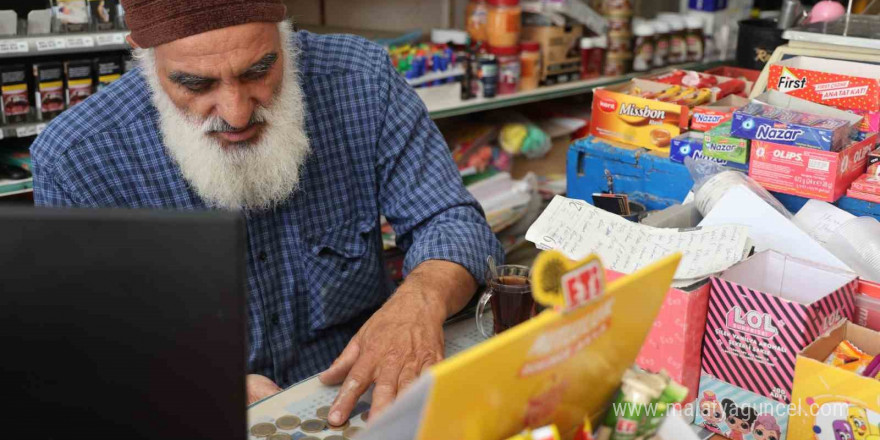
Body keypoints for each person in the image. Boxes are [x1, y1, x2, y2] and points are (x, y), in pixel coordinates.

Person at [30, 0, 504, 426]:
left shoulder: (362, 79)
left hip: (363, 397)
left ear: (284, 30)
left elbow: (451, 220)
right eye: (196, 84)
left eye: (259, 70)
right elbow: (83, 348)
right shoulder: (77, 157)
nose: (236, 113)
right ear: (142, 53)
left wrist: (419, 301)